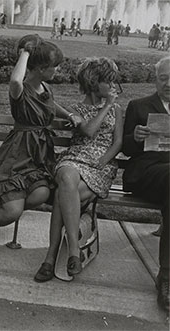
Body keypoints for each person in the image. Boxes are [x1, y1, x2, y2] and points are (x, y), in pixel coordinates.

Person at [0, 35, 82, 256]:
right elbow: (14, 81)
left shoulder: (46, 88)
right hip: (17, 155)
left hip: (38, 156)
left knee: (41, 195)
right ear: (41, 68)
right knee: (13, 212)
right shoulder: (19, 90)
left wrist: (69, 114)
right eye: (54, 67)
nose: (57, 71)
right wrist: (26, 52)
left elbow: (52, 104)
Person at [34, 57, 123, 282]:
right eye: (108, 82)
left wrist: (105, 159)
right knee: (66, 174)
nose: (113, 87)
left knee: (61, 197)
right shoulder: (75, 109)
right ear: (94, 83)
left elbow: (118, 142)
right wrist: (107, 106)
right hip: (75, 158)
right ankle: (74, 251)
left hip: (99, 167)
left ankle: (50, 257)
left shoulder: (118, 109)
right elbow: (90, 131)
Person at [122, 56, 169, 312]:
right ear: (156, 79)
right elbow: (127, 149)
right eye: (164, 78)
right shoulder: (139, 106)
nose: (169, 83)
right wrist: (136, 137)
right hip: (146, 171)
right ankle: (167, 276)